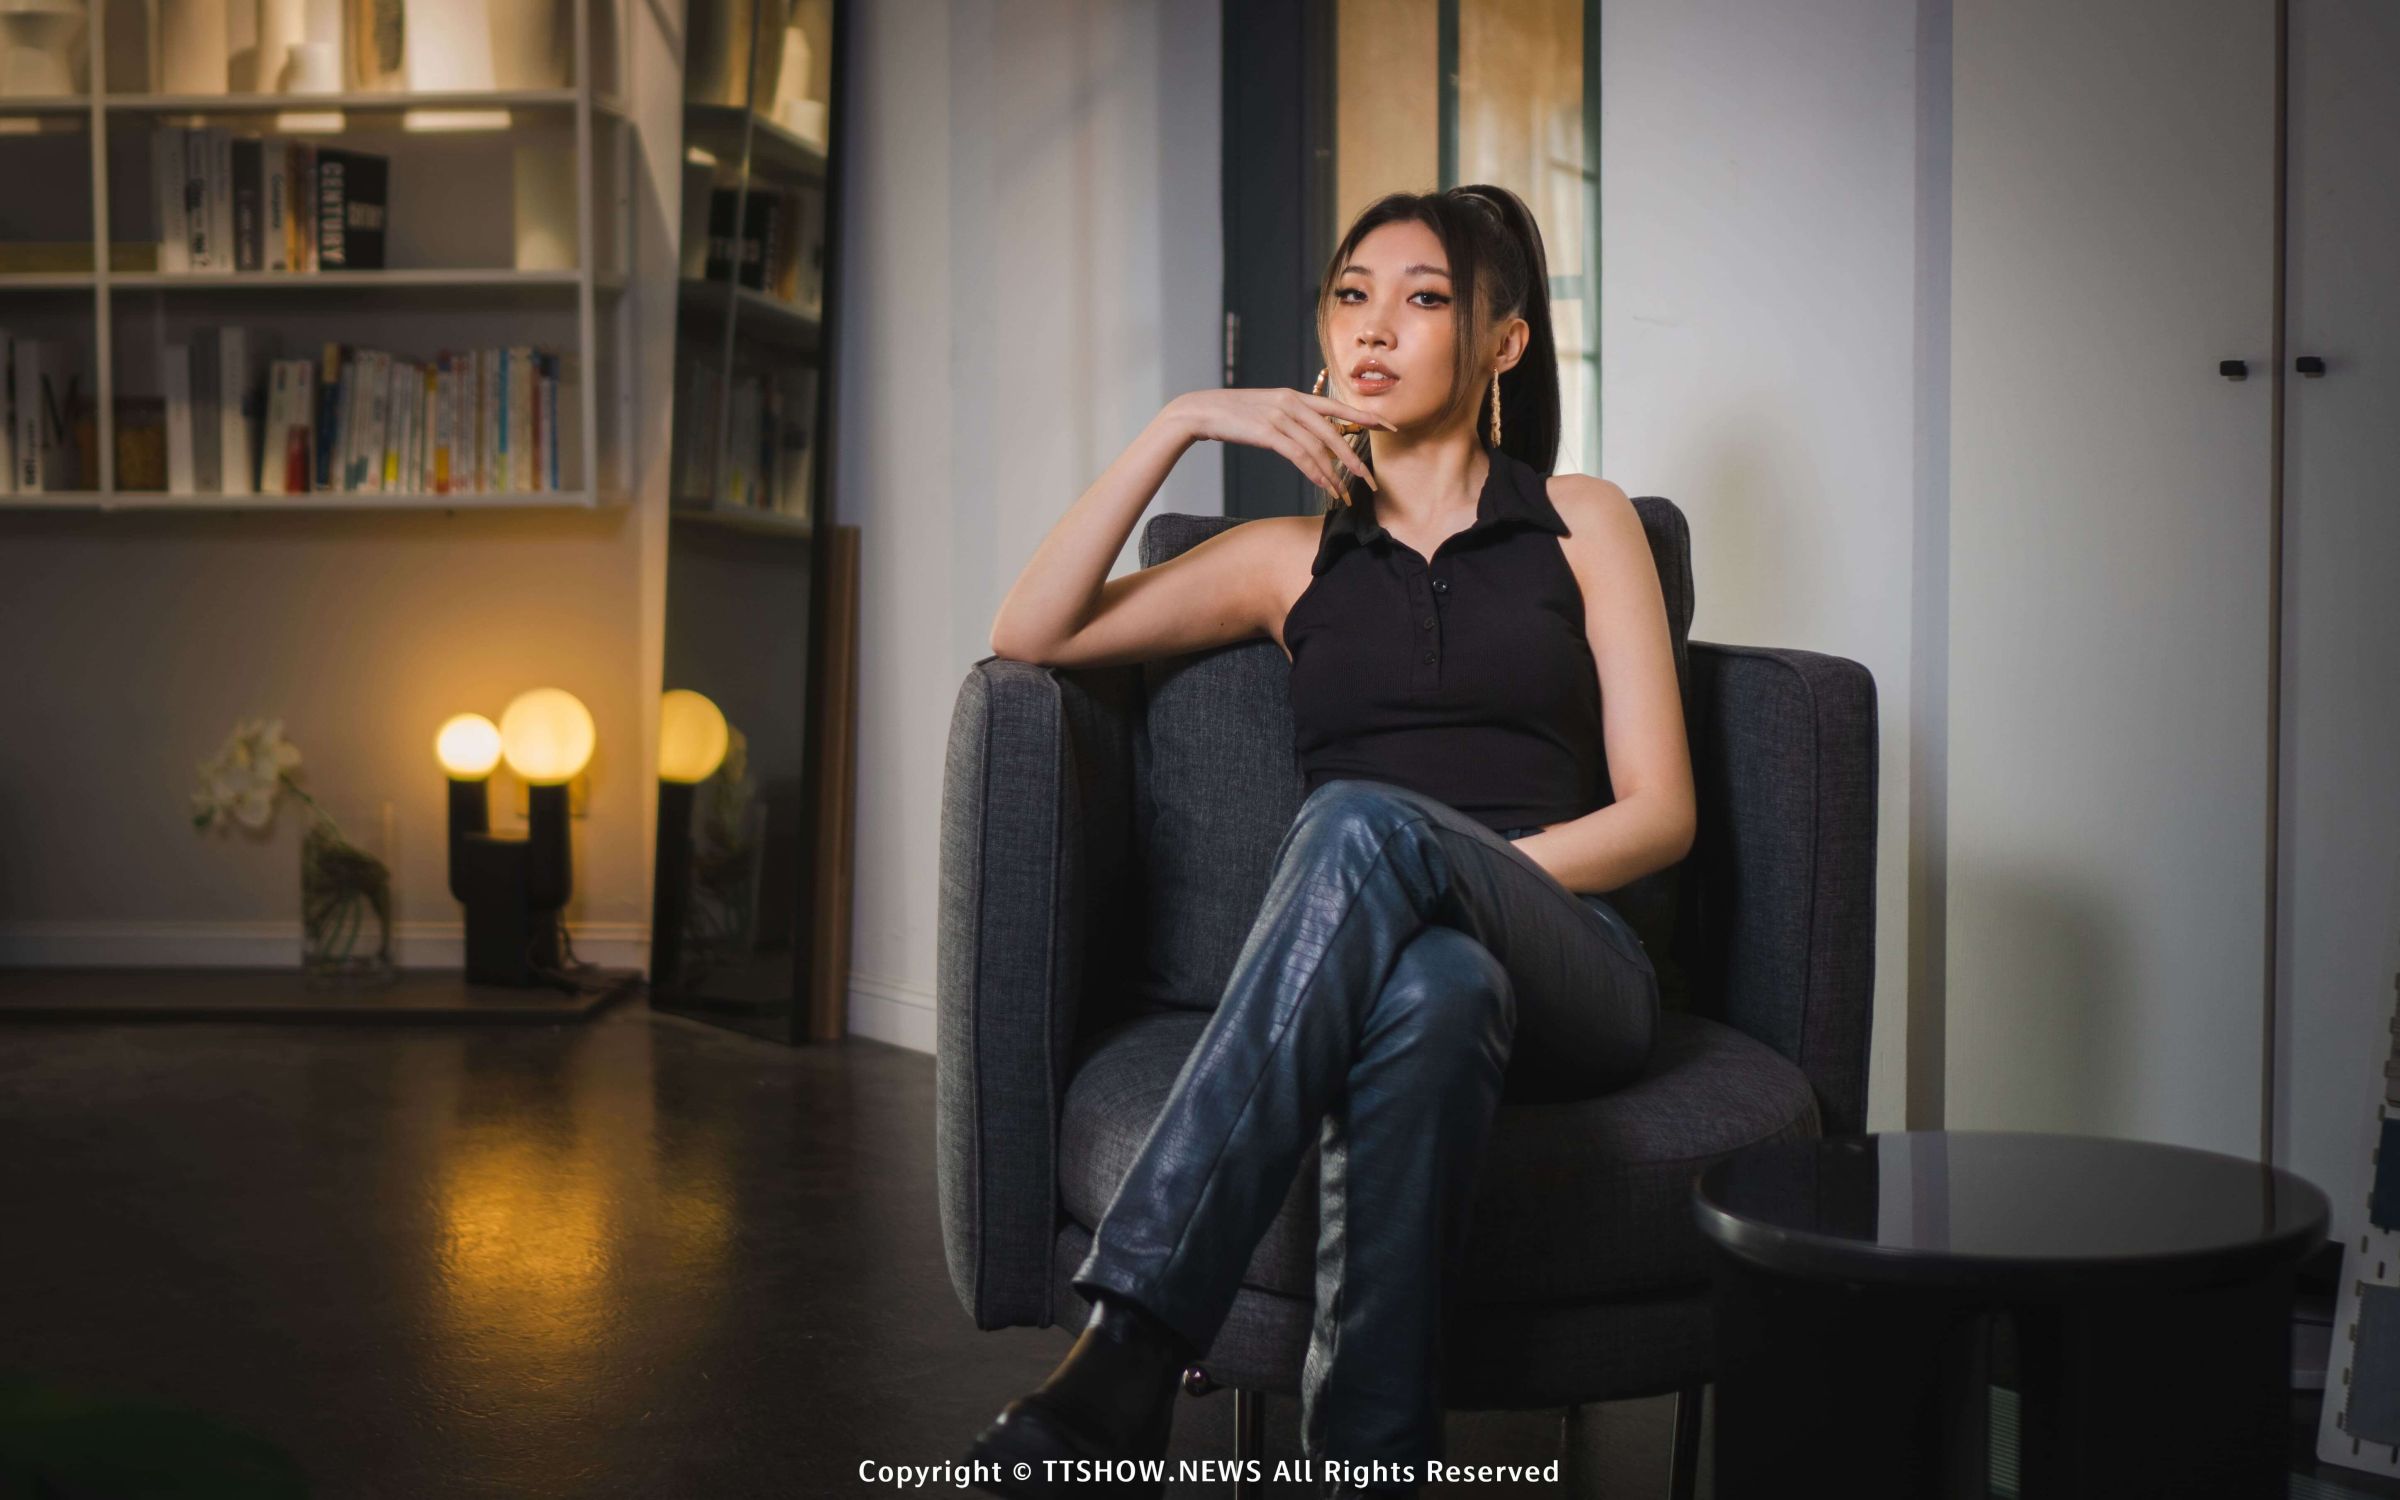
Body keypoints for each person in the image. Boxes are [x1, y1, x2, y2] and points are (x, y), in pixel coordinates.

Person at [963, 184, 1695, 1498]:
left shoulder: (1584, 519)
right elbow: (1033, 632)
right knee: (1433, 986)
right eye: (1352, 295)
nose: (1374, 326)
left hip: (1574, 959)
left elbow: (1660, 813)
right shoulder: (1286, 560)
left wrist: (1448, 871)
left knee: (1364, 825)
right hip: (1419, 975)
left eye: (1423, 298)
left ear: (1504, 342)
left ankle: (1131, 1342)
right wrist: (1181, 420)